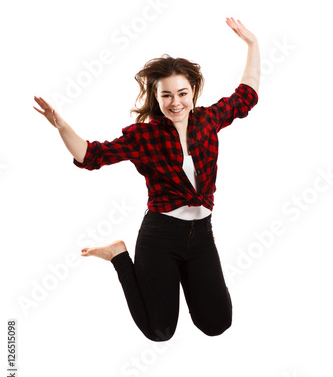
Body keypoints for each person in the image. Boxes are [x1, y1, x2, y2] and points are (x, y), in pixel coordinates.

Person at [33, 17, 260, 342]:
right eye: (166, 95)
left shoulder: (208, 120)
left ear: (193, 91)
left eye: (182, 93)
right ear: (156, 97)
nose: (176, 102)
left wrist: (252, 44)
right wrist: (61, 126)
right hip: (160, 236)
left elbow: (246, 95)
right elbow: (91, 155)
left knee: (217, 324)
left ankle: (186, 276)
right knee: (159, 331)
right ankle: (118, 255)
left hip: (201, 236)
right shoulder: (144, 136)